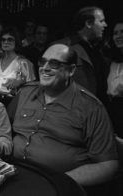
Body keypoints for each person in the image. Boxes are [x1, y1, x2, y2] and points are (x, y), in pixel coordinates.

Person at [7, 43, 118, 186]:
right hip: (15, 176)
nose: (44, 68)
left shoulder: (91, 107)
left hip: (57, 185)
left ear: (71, 70)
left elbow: (108, 166)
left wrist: (59, 181)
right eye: (42, 62)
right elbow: (3, 131)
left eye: (54, 64)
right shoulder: (25, 93)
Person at [55, 6, 109, 105]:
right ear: (88, 23)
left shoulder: (98, 50)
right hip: (76, 113)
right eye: (101, 21)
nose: (105, 25)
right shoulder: (63, 48)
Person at [0, 26, 35, 106]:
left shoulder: (24, 63)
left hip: (16, 104)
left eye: (10, 39)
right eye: (3, 39)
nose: (6, 42)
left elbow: (32, 89)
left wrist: (21, 82)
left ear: (16, 41)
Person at [106, 20, 123, 138]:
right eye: (115, 33)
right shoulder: (113, 62)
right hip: (114, 114)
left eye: (122, 32)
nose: (119, 36)